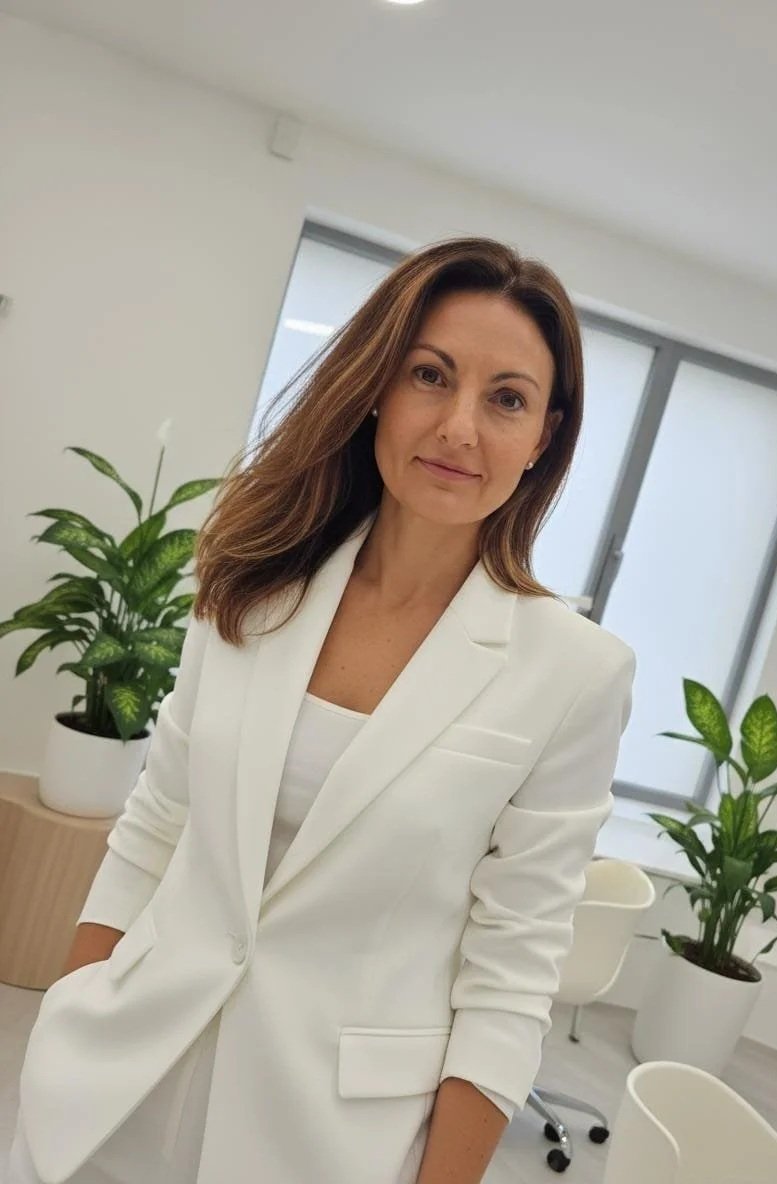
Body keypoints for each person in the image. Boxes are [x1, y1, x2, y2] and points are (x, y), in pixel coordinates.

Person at [7, 236, 636, 1184]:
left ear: (543, 436)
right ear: (378, 387)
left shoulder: (574, 673)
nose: (460, 426)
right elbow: (155, 826)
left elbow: (510, 975)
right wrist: (72, 1013)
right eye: (431, 375)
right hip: (108, 1092)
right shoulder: (254, 589)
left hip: (323, 1139)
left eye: (506, 397)